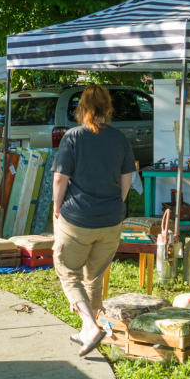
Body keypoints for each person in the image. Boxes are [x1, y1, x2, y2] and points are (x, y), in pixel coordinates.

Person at [50, 85, 136, 357]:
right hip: (111, 220)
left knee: (68, 272)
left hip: (77, 219)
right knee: (94, 276)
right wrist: (117, 204)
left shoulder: (73, 137)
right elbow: (127, 178)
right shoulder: (120, 138)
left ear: (82, 108)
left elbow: (59, 178)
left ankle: (90, 325)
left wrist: (56, 207)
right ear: (107, 108)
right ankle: (93, 329)